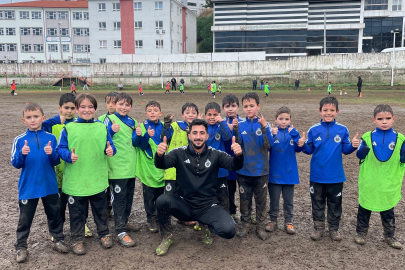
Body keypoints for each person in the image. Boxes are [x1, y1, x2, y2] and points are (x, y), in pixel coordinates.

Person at [154, 119, 244, 256]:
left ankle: (205, 226)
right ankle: (167, 236)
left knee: (229, 231)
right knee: (162, 200)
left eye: (202, 133)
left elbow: (234, 165)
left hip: (207, 206)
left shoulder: (215, 154)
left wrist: (238, 156)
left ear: (207, 136)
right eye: (194, 133)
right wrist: (159, 155)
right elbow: (162, 164)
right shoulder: (179, 153)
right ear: (189, 135)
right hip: (184, 204)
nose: (198, 136)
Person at [57, 93, 117, 255]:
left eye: (90, 107)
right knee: (77, 212)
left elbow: (110, 145)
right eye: (82, 107)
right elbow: (60, 149)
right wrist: (68, 156)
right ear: (77, 109)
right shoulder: (68, 128)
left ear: (95, 109)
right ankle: (77, 238)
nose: (86, 110)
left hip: (97, 179)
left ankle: (104, 234)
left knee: (101, 210)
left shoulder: (102, 127)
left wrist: (111, 150)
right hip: (76, 181)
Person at [12, 103, 69, 263]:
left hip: (49, 185)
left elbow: (56, 161)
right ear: (24, 120)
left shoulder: (51, 138)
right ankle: (21, 246)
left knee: (54, 214)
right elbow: (15, 163)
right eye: (29, 117)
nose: (33, 120)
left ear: (43, 118)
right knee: (25, 218)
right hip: (28, 187)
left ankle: (58, 239)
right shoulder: (20, 140)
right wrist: (22, 155)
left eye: (36, 116)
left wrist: (52, 154)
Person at [302, 96, 359, 242]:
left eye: (332, 110)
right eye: (325, 110)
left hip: (336, 176)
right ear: (320, 111)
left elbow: (345, 150)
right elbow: (309, 150)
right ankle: (319, 228)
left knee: (335, 204)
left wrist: (352, 145)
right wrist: (302, 145)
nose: (329, 113)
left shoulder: (342, 129)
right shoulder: (313, 130)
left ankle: (334, 229)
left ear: (337, 111)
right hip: (317, 176)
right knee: (317, 202)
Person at [41, 94, 95, 237]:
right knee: (59, 205)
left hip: (76, 172)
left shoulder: (80, 124)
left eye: (72, 108)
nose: (69, 111)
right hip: (58, 173)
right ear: (59, 108)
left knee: (79, 203)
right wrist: (57, 119)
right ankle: (57, 231)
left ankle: (82, 225)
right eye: (66, 108)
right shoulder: (53, 125)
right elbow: (40, 126)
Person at [354, 104, 405, 249]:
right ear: (374, 120)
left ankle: (389, 236)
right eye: (380, 118)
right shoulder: (367, 137)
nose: (384, 121)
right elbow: (359, 156)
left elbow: (402, 160)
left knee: (388, 210)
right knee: (364, 209)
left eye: (388, 118)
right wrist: (361, 151)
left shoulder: (400, 139)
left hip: (388, 183)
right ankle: (361, 233)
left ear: (393, 119)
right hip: (369, 182)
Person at [233, 92, 274, 240]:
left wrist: (264, 128)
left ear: (258, 106)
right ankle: (245, 224)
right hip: (244, 170)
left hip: (261, 171)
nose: (249, 109)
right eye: (245, 106)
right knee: (244, 199)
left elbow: (270, 144)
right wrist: (236, 131)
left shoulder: (265, 124)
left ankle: (260, 226)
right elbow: (237, 144)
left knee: (261, 200)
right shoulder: (240, 124)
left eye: (252, 106)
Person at [104, 92, 140, 247]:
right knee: (118, 199)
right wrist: (111, 131)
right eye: (120, 104)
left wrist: (139, 136)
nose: (123, 107)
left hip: (130, 167)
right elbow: (101, 139)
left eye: (127, 105)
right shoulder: (107, 119)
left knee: (129, 197)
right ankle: (119, 231)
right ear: (114, 104)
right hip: (116, 167)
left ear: (131, 107)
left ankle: (124, 222)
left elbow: (135, 143)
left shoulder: (133, 121)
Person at [266, 107, 305, 235]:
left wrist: (296, 135)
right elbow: (267, 147)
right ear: (275, 119)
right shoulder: (272, 133)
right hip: (274, 174)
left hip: (289, 174)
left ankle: (289, 221)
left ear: (290, 120)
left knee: (289, 200)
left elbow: (299, 149)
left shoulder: (293, 133)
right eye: (281, 119)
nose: (283, 121)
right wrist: (270, 133)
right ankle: (273, 220)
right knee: (274, 199)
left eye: (286, 119)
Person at [135, 101, 173, 233]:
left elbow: (168, 139)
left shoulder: (164, 125)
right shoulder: (142, 126)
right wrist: (145, 135)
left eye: (155, 110)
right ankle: (151, 218)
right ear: (145, 113)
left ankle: (161, 217)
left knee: (162, 195)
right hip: (148, 169)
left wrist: (167, 125)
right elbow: (140, 145)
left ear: (160, 113)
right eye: (150, 110)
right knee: (149, 196)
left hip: (162, 167)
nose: (152, 112)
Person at [163, 103, 201, 227]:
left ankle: (183, 218)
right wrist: (167, 124)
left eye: (193, 113)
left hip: (188, 171)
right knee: (170, 198)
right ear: (182, 114)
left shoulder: (198, 129)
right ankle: (165, 224)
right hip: (172, 170)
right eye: (187, 112)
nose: (190, 115)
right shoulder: (175, 126)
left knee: (186, 197)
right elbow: (164, 137)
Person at [204, 102, 233, 212]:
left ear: (219, 115)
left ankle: (224, 219)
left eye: (215, 115)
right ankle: (205, 220)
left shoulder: (221, 127)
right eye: (209, 114)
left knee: (222, 196)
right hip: (205, 170)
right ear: (205, 115)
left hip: (220, 170)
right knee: (206, 195)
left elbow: (227, 138)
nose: (212, 117)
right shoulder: (203, 128)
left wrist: (222, 122)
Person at [222, 94, 243, 218]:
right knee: (229, 190)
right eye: (227, 106)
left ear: (238, 107)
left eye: (233, 106)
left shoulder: (244, 122)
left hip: (242, 164)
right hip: (226, 165)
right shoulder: (220, 123)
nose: (230, 109)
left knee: (244, 190)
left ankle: (247, 214)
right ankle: (231, 211)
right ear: (223, 108)